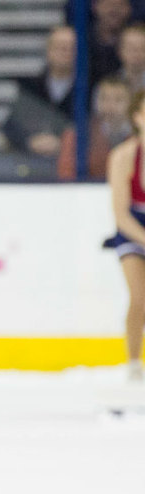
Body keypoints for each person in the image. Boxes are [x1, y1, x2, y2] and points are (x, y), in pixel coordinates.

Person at [103, 87, 145, 382]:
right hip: (132, 230)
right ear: (137, 117)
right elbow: (120, 213)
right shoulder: (123, 156)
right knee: (140, 297)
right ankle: (133, 363)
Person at [1, 24, 76, 176]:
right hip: (31, 163)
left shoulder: (87, 89)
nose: (65, 53)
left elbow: (94, 129)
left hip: (71, 164)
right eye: (60, 47)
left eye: (70, 48)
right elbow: (11, 127)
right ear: (49, 51)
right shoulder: (31, 88)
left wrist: (64, 143)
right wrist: (30, 141)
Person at [58, 76, 133, 181]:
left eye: (118, 99)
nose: (110, 106)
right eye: (104, 98)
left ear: (131, 104)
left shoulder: (139, 137)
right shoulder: (78, 134)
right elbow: (66, 175)